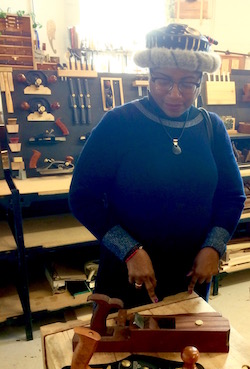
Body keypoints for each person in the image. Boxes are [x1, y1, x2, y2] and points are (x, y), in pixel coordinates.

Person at [69, 24, 246, 308]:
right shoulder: (119, 123)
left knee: (189, 350)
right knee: (123, 348)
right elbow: (82, 198)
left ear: (200, 81)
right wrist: (130, 252)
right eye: (163, 81)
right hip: (129, 274)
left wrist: (214, 247)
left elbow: (232, 197)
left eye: (187, 83)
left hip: (191, 274)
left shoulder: (211, 127)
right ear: (148, 77)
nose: (175, 94)